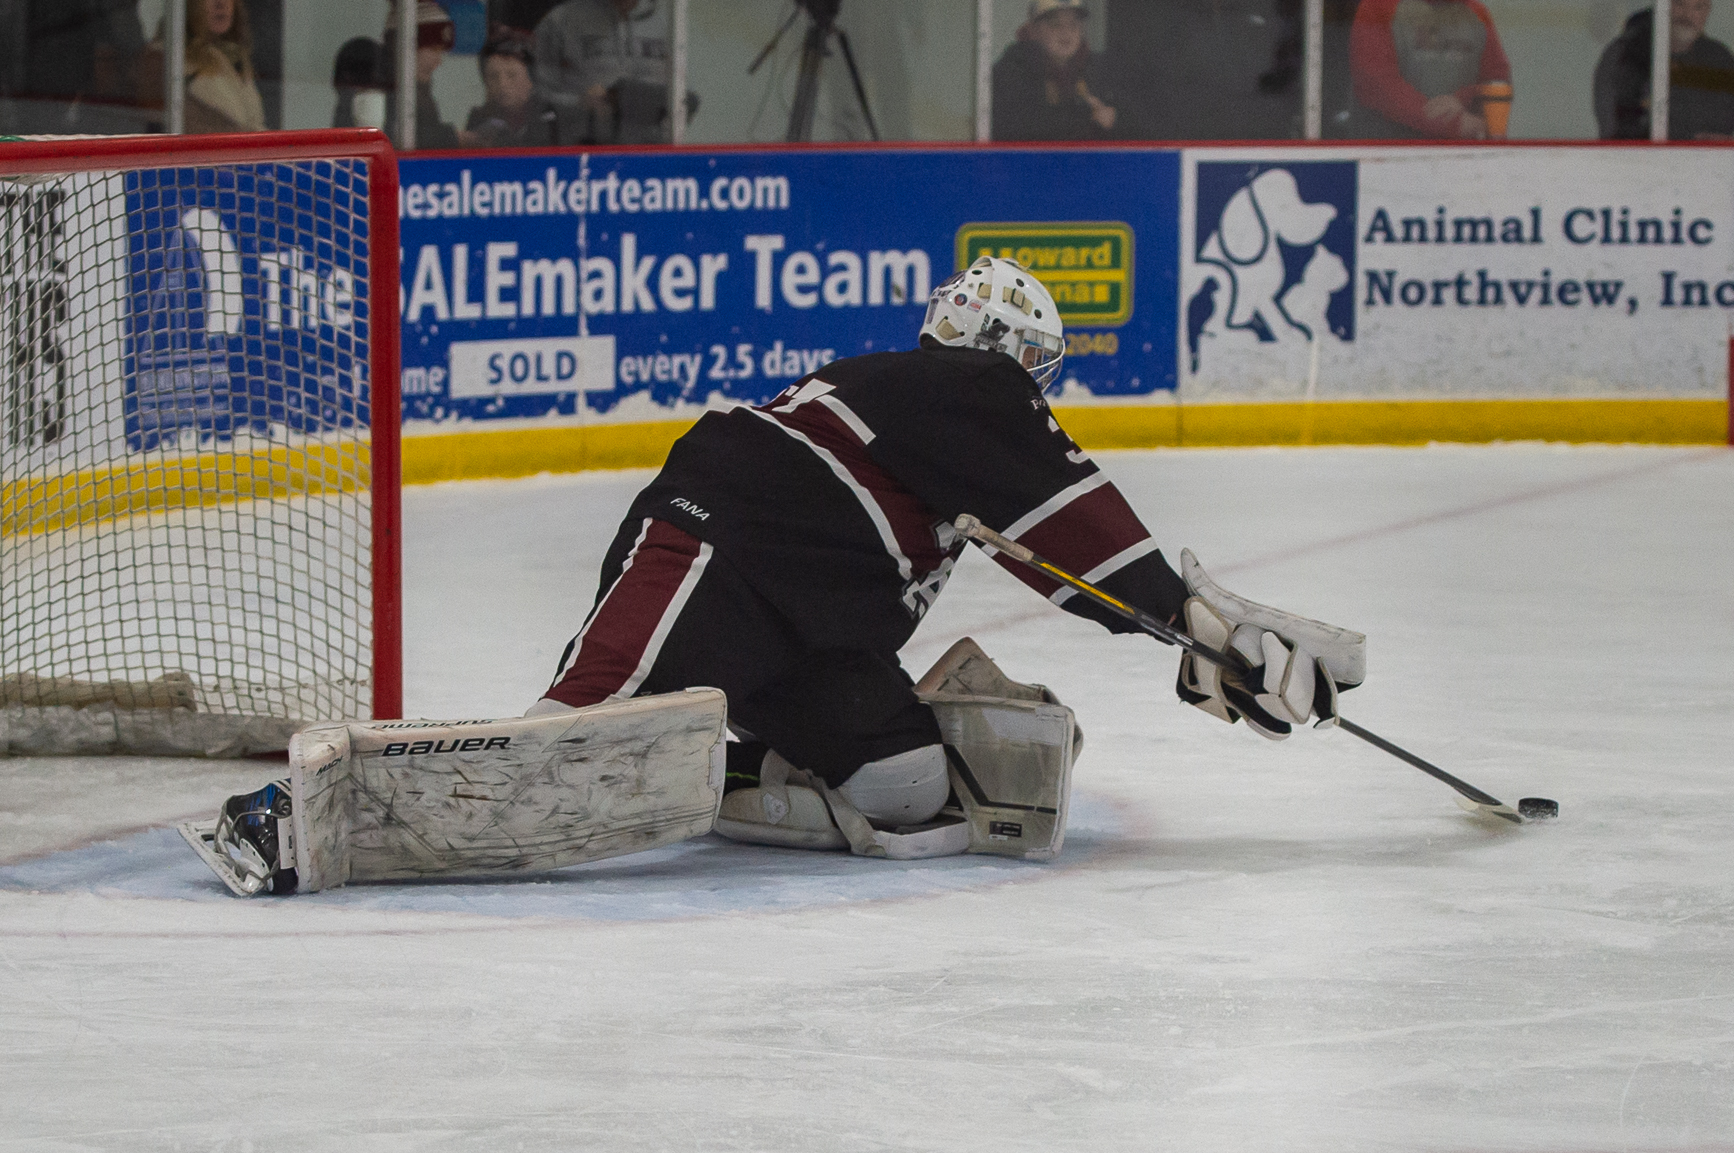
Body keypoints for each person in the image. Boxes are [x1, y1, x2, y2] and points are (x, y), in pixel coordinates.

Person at [186, 257, 1364, 894]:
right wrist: (1192, 613)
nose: (1034, 394)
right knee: (564, 740)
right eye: (1034, 375)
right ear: (1015, 360)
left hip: (813, 635)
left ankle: (727, 760)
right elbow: (1076, 516)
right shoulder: (954, 391)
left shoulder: (945, 437)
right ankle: (289, 818)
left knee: (908, 792)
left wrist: (1183, 625)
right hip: (715, 550)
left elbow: (1057, 555)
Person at [1348, 0, 1512, 138]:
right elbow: (1377, 85)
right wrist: (1452, 122)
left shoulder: (1476, 12)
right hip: (1388, 152)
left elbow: (1497, 81)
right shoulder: (1378, 6)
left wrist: (1462, 99)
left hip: (1461, 153)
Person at [532, 0, 673, 144]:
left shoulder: (671, 19)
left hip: (655, 149)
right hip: (584, 146)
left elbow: (683, 92)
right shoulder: (561, 20)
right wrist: (579, 102)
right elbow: (536, 93)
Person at [1594, 0, 1734, 140]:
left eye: (1698, 7)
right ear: (1662, 8)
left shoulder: (1719, 59)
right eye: (1679, 4)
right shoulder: (1625, 54)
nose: (1687, 15)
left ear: (1707, 13)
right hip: (1637, 159)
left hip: (1706, 159)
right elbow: (1614, 123)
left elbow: (1726, 117)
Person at [991, 0, 1122, 141]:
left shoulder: (1098, 68)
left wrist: (1114, 119)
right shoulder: (1010, 71)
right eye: (1056, 25)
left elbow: (1139, 123)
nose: (1066, 33)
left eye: (1073, 25)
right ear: (1034, 30)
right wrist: (1086, 115)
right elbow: (1016, 129)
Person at [383, 0, 462, 150]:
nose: (438, 62)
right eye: (433, 49)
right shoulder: (382, 95)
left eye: (441, 51)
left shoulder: (421, 93)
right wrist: (455, 138)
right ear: (403, 46)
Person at [464, 31, 561, 146]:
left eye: (511, 75)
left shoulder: (553, 118)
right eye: (493, 76)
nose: (502, 84)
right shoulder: (478, 119)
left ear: (531, 80)